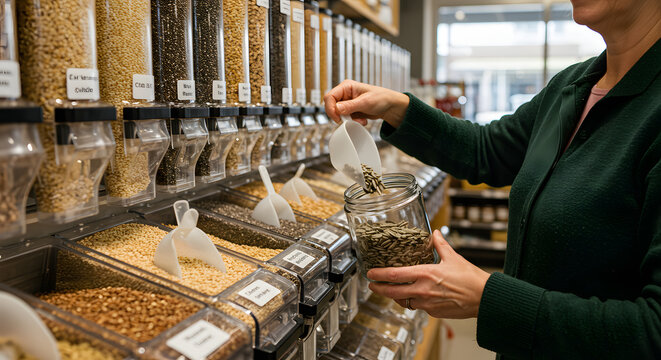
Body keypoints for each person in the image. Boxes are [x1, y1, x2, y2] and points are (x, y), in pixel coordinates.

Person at [324, 0, 661, 358]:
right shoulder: (573, 85)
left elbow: (652, 331)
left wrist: (489, 299)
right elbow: (487, 151)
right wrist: (396, 108)